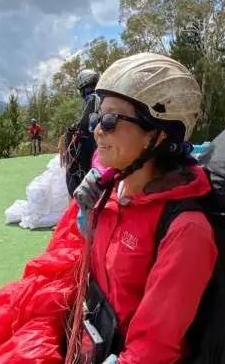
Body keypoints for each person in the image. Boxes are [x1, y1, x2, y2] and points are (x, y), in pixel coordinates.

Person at [71, 52, 216, 363]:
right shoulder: (111, 191)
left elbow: (155, 348)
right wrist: (89, 221)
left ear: (158, 133)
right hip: (102, 339)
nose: (97, 130)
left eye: (110, 120)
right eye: (98, 118)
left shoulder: (185, 230)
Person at [62, 69, 101, 197]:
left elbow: (84, 122)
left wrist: (74, 127)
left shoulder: (91, 98)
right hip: (100, 136)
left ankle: (77, 193)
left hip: (91, 139)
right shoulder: (102, 96)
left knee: (76, 167)